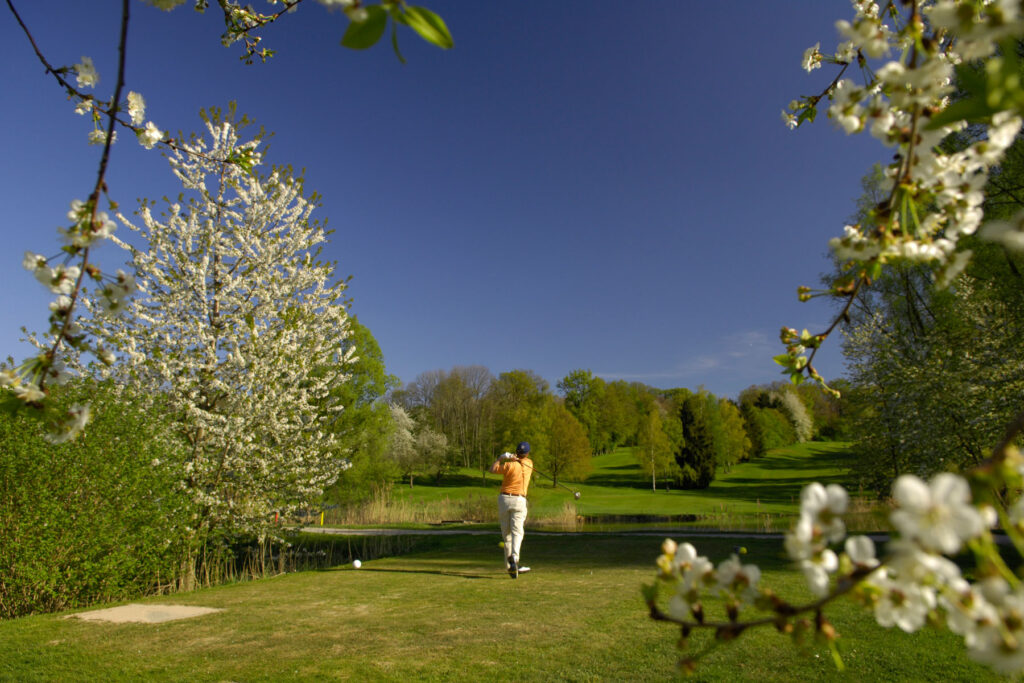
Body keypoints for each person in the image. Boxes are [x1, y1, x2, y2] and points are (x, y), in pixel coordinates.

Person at [489, 441, 533, 578]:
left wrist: (501, 458)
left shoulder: (509, 465)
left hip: (504, 499)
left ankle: (510, 567)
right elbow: (523, 461)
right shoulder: (530, 464)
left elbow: (492, 469)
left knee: (506, 534)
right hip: (519, 500)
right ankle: (514, 558)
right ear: (527, 453)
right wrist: (515, 459)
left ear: (516, 452)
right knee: (517, 531)